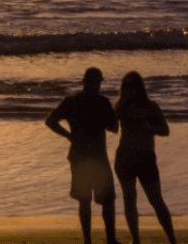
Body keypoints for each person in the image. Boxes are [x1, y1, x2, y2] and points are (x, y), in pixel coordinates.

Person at [46, 66, 119, 244]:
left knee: (84, 200)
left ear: (84, 82)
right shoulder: (102, 102)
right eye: (97, 82)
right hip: (98, 157)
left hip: (78, 155)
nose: (97, 86)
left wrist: (69, 136)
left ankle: (88, 241)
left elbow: (51, 121)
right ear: (96, 83)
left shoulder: (72, 101)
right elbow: (114, 129)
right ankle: (110, 240)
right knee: (107, 199)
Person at [113, 71, 177, 244]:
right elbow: (111, 126)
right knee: (129, 199)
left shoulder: (150, 107)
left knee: (156, 200)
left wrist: (149, 127)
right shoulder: (120, 107)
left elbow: (165, 130)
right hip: (125, 157)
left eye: (132, 86)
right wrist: (120, 104)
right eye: (125, 86)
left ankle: (172, 239)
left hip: (146, 158)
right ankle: (136, 240)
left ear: (139, 87)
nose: (129, 89)